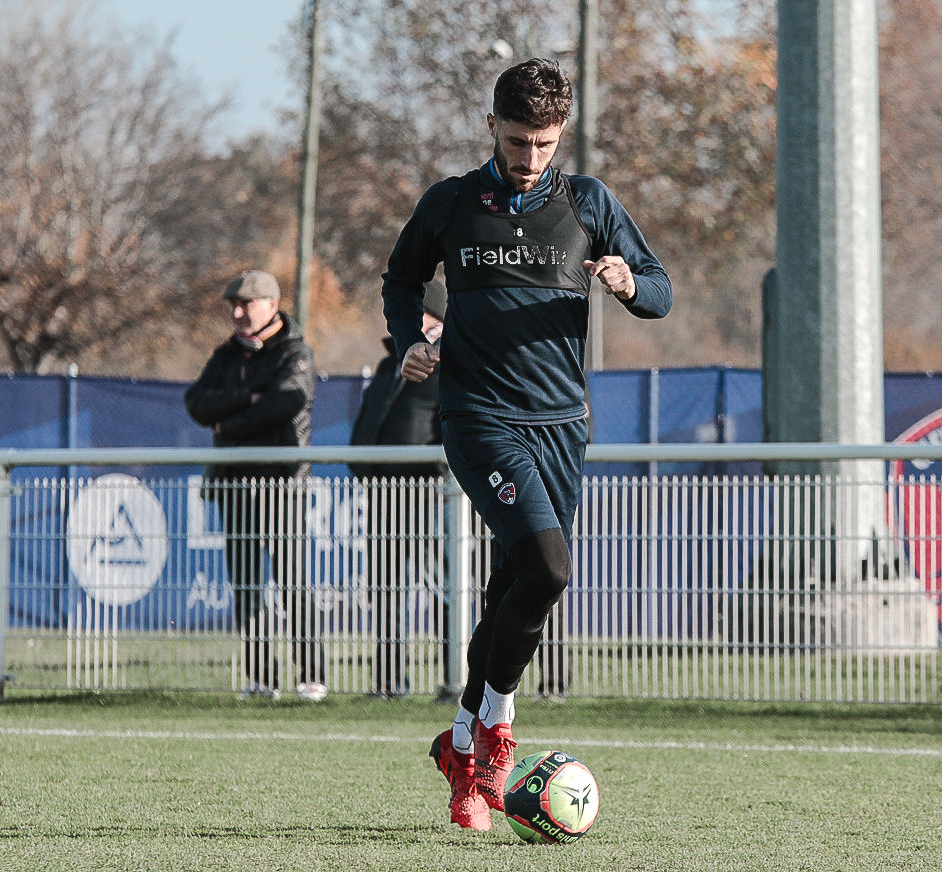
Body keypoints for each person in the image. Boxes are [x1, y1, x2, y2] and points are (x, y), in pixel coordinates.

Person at [382, 58, 671, 830]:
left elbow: (660, 289)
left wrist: (628, 283)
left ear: (561, 135)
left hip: (561, 425)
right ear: (491, 127)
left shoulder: (588, 202)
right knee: (548, 568)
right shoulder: (449, 204)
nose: (529, 159)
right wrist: (412, 337)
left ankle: (460, 754)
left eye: (544, 144)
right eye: (517, 141)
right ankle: (497, 733)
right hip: (478, 416)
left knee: (514, 585)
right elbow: (400, 280)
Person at [184, 269, 326, 700]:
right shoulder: (228, 354)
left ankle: (310, 677)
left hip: (282, 482)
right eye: (234, 305)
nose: (238, 312)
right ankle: (262, 678)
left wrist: (228, 422)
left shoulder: (294, 350)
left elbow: (288, 402)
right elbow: (196, 402)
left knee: (293, 581)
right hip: (235, 482)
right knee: (245, 584)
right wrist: (249, 399)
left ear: (271, 304)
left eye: (246, 303)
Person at [349, 280, 449, 698]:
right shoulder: (391, 360)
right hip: (384, 493)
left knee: (449, 589)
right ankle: (389, 681)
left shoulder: (452, 357)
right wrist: (361, 458)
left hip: (430, 493)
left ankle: (458, 681)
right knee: (385, 588)